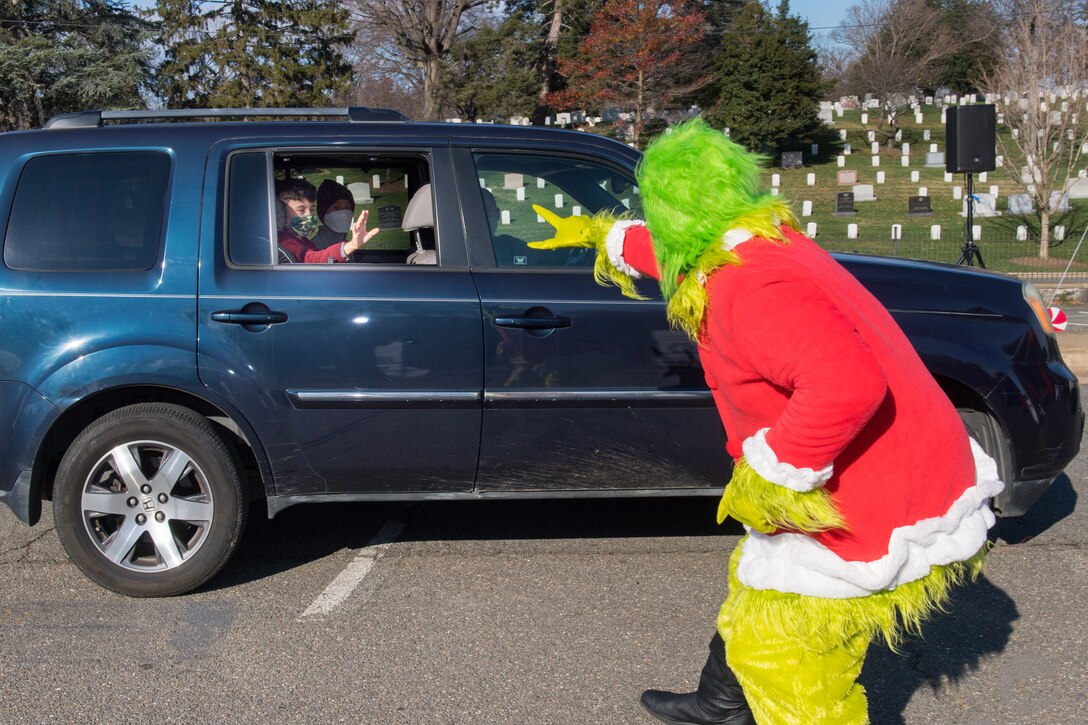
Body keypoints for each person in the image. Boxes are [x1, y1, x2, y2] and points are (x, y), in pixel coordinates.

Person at [529, 119, 1003, 725]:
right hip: (898, 463)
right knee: (756, 585)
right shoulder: (752, 240)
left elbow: (845, 385)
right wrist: (606, 238)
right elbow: (681, 250)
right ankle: (721, 704)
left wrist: (776, 476)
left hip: (869, 489)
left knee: (787, 660)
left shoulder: (747, 285)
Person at [277, 178, 378, 264]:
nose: (309, 215)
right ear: (282, 212)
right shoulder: (286, 242)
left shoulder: (302, 240)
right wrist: (350, 246)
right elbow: (312, 260)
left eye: (312, 209)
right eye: (301, 210)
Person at [312, 179, 358, 251]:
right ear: (323, 213)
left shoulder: (346, 244)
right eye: (336, 208)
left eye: (348, 207)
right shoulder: (316, 246)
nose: (344, 214)